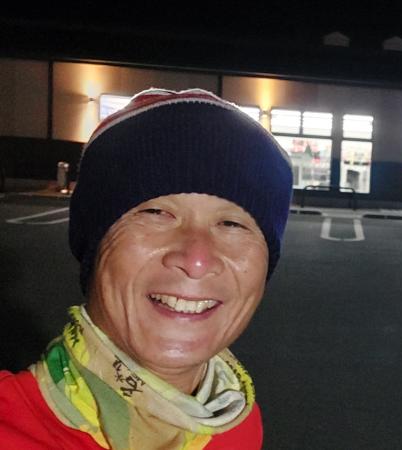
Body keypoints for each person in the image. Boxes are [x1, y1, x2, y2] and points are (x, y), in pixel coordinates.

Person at [0, 88, 293, 449]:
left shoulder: (237, 426)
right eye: (156, 213)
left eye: (232, 224)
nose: (196, 259)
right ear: (95, 243)